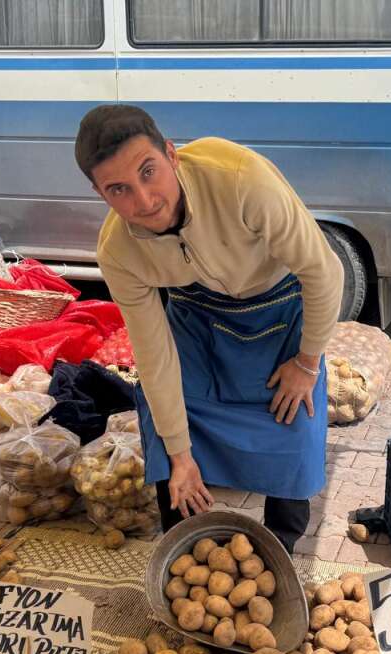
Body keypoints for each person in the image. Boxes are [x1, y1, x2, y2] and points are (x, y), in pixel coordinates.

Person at [76, 105, 343, 553]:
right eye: (118, 189)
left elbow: (324, 272)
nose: (144, 201)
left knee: (295, 420)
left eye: (149, 172)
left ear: (171, 154)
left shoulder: (240, 180)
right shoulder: (118, 251)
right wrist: (181, 456)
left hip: (277, 308)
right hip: (197, 317)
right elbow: (154, 356)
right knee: (166, 409)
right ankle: (185, 541)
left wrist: (307, 362)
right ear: (99, 193)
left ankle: (282, 545)